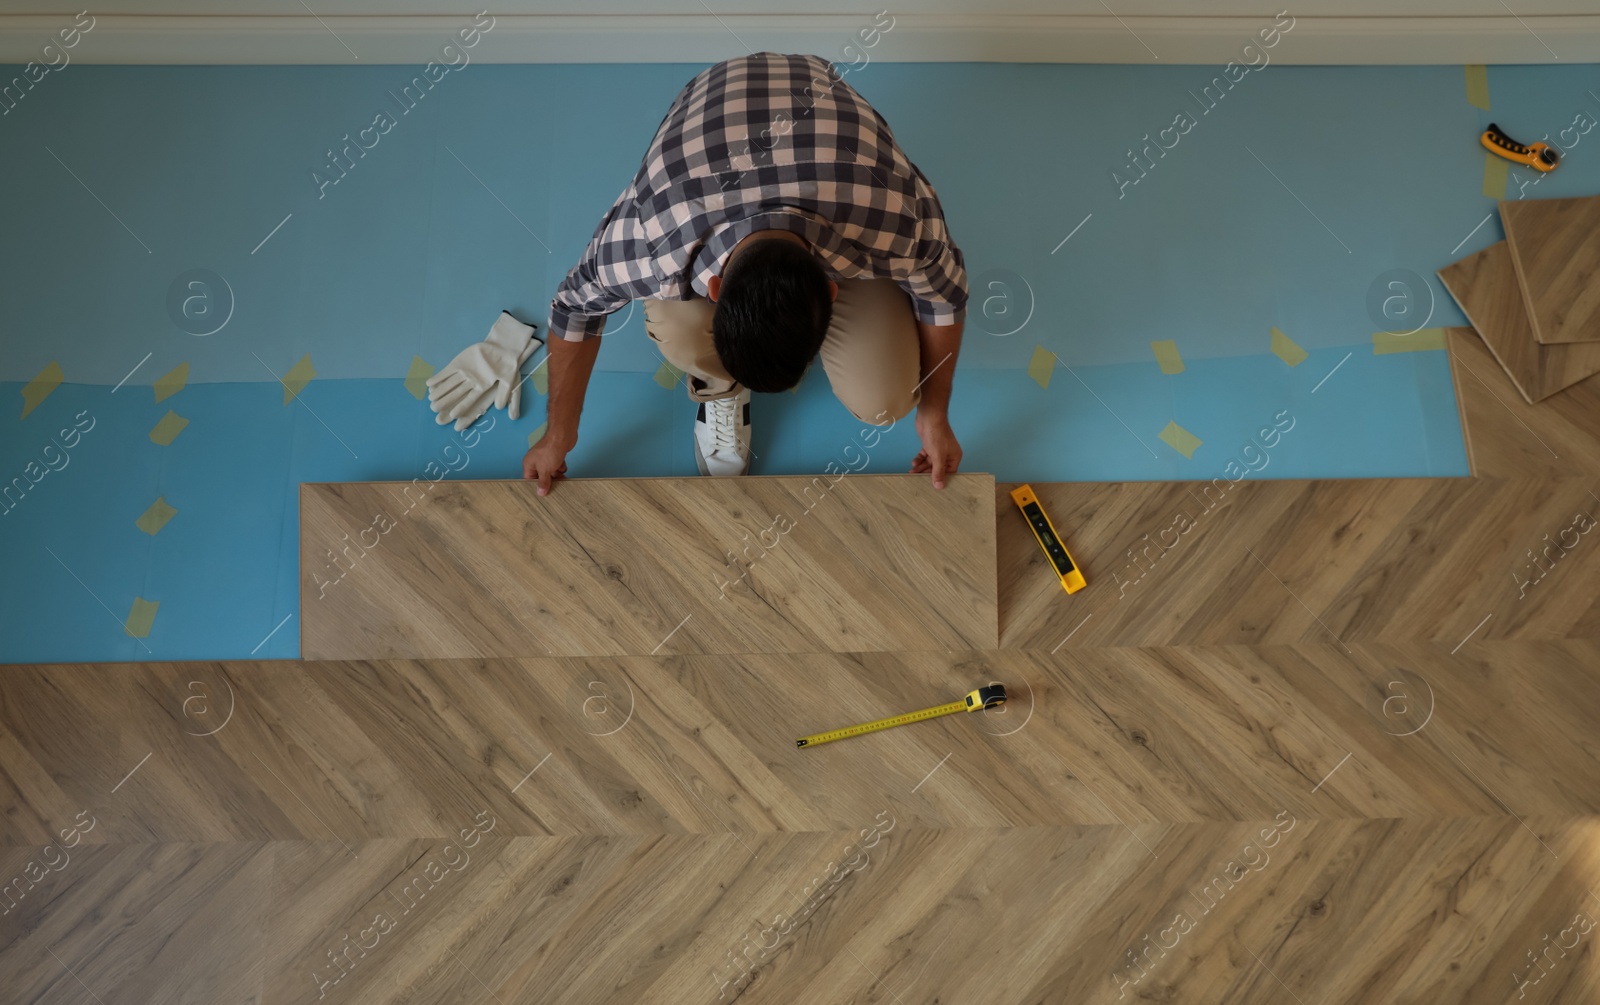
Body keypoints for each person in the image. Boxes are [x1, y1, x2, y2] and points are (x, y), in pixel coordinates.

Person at [523, 51, 968, 495]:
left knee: (884, 402)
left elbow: (945, 296)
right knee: (677, 328)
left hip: (827, 125)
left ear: (832, 289)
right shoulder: (650, 235)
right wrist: (558, 436)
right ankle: (722, 391)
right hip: (709, 104)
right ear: (713, 288)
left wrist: (935, 412)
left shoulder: (893, 214)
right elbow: (572, 309)